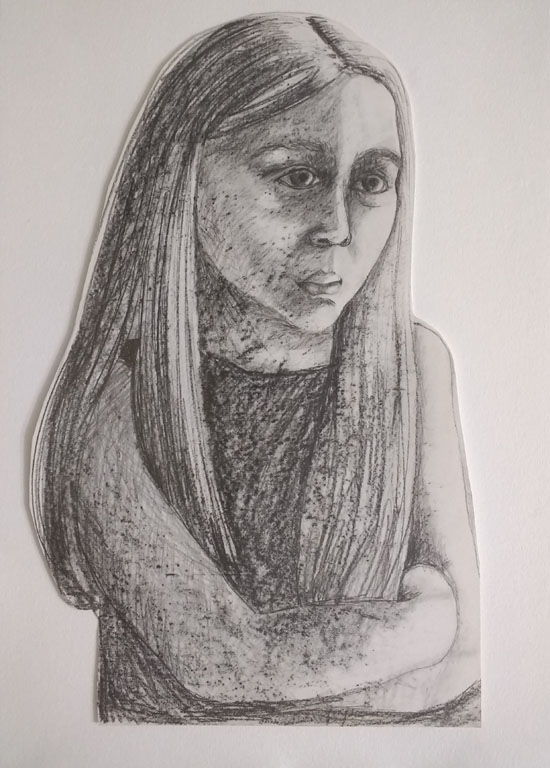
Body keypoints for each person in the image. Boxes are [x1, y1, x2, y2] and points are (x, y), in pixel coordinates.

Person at [31, 13, 480, 724]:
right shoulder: (120, 397)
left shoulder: (414, 367)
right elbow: (226, 660)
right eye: (296, 176)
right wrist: (425, 625)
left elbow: (467, 663)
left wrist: (295, 670)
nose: (337, 226)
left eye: (371, 181)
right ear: (184, 178)